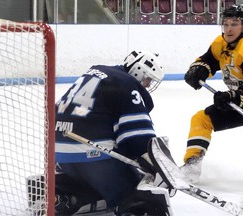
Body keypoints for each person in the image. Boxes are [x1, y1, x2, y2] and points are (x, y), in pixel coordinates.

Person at [54, 50, 175, 215]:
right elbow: (137, 140)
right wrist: (154, 164)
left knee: (96, 186)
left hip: (60, 157)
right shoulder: (127, 84)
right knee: (136, 193)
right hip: (93, 160)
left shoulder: (94, 73)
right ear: (138, 70)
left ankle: (66, 196)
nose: (146, 85)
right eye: (147, 79)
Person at [181, 4, 243, 183]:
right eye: (225, 24)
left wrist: (235, 96)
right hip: (241, 100)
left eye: (234, 24)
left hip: (242, 98)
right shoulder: (221, 44)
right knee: (201, 119)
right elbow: (207, 61)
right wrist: (198, 70)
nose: (229, 28)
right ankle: (192, 166)